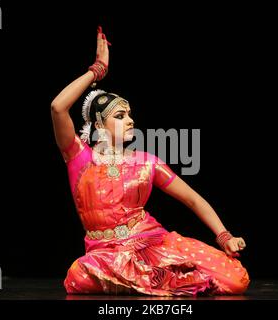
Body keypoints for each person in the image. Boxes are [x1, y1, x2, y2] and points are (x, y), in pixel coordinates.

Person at [50, 26, 249, 296]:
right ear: (99, 123)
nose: (130, 120)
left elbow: (193, 199)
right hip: (104, 257)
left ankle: (154, 279)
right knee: (79, 276)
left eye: (130, 114)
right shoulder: (78, 155)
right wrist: (97, 69)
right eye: (119, 115)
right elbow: (58, 107)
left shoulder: (146, 162)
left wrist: (224, 236)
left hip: (153, 245)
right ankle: (151, 281)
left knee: (235, 279)